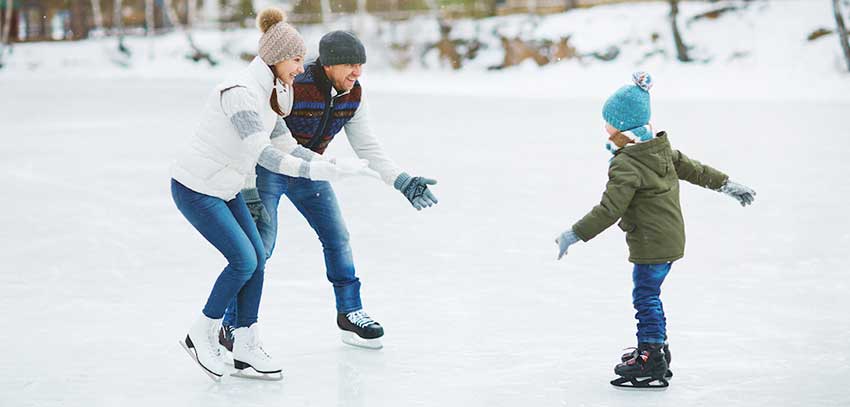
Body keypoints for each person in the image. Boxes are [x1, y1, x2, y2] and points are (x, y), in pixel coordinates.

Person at [171, 9, 371, 381]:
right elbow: (263, 153)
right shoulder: (240, 94)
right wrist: (319, 171)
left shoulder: (272, 95)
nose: (301, 67)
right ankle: (201, 332)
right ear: (277, 57)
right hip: (197, 187)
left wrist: (334, 165)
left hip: (226, 187)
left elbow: (288, 145)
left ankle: (245, 343)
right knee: (243, 260)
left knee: (258, 257)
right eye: (297, 60)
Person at [221, 31, 439, 350]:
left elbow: (367, 145)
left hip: (311, 170)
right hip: (268, 169)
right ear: (329, 65)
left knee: (337, 237)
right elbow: (255, 139)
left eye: (361, 65)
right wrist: (249, 187)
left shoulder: (353, 93)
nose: (358, 72)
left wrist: (401, 179)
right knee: (259, 248)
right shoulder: (294, 83)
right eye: (351, 65)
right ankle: (230, 324)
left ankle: (350, 312)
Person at [553, 72, 756, 389]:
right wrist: (728, 185)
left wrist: (574, 234)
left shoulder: (627, 164)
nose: (605, 128)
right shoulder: (659, 150)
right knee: (651, 297)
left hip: (650, 242)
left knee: (646, 297)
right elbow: (698, 171)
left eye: (609, 123)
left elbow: (610, 209)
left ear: (623, 127)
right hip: (668, 236)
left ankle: (651, 358)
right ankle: (656, 347)